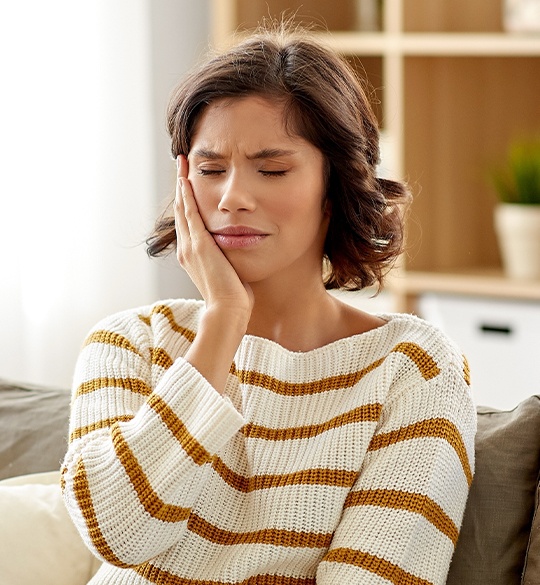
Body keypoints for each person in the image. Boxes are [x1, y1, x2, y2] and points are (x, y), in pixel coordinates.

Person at [61, 25, 476, 585]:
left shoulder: (413, 368)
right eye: (210, 171)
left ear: (336, 186)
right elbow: (116, 534)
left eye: (272, 169)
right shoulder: (128, 343)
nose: (232, 197)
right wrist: (222, 325)